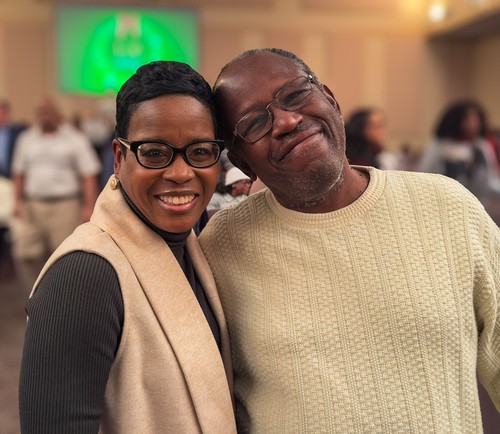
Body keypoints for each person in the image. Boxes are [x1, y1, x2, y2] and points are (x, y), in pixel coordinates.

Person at [198, 48, 500, 432]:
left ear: (332, 101)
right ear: (242, 162)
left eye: (295, 95)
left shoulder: (447, 207)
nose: (287, 121)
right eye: (255, 122)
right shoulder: (223, 245)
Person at [19, 61, 236, 433]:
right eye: (154, 153)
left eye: (200, 152)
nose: (181, 173)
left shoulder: (193, 247)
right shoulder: (84, 275)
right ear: (119, 159)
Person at [10, 98, 101, 288]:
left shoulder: (75, 139)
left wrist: (89, 206)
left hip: (65, 206)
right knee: (25, 253)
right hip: (32, 205)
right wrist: (16, 202)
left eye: (49, 111)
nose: (46, 115)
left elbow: (88, 174)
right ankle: (35, 293)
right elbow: (19, 173)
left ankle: (59, 294)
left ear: (58, 113)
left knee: (63, 255)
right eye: (41, 112)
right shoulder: (26, 139)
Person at [418, 99, 500, 203]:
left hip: (476, 204)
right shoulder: (439, 146)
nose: (473, 124)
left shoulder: (482, 147)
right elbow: (424, 174)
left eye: (476, 119)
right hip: (444, 202)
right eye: (468, 119)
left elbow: (490, 180)